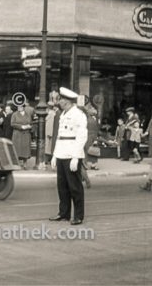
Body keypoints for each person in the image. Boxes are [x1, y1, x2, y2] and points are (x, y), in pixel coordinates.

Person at [49, 87, 87, 225]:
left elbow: (81, 137)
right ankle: (64, 213)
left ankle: (78, 215)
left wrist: (76, 157)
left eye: (62, 100)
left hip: (72, 153)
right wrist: (55, 155)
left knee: (75, 187)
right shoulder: (63, 114)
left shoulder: (78, 114)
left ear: (69, 101)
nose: (60, 102)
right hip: (61, 153)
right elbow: (60, 136)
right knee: (62, 186)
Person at [11, 104, 32, 169]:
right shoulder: (14, 114)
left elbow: (30, 122)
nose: (19, 108)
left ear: (23, 107)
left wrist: (29, 126)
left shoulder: (27, 114)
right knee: (17, 149)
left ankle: (25, 164)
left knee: (25, 150)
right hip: (17, 134)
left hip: (26, 134)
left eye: (20, 107)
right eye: (18, 107)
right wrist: (21, 126)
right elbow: (12, 124)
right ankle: (17, 164)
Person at [44, 101, 57, 169]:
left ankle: (47, 160)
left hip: (48, 132)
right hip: (48, 132)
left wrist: (49, 133)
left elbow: (50, 124)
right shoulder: (51, 113)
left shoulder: (51, 114)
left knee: (48, 147)